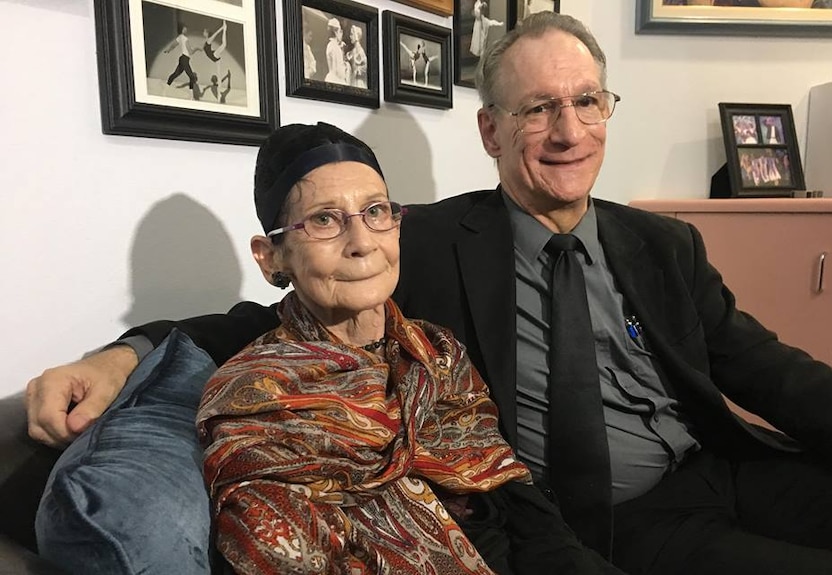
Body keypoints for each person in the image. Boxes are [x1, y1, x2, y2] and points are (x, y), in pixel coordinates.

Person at [26, 12, 832, 575]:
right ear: (491, 131)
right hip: (614, 518)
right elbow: (274, 316)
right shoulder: (411, 241)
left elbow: (774, 371)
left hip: (721, 463)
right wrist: (123, 355)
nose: (569, 131)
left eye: (585, 102)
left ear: (608, 110)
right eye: (538, 109)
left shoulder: (662, 241)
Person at [195, 121, 617, 575]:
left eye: (375, 212)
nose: (361, 243)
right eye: (324, 219)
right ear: (271, 256)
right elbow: (285, 556)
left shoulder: (438, 352)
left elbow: (512, 496)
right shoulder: (253, 398)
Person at [164, 23, 198, 93]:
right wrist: (197, 49)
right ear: (182, 30)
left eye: (186, 29)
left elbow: (173, 45)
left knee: (176, 74)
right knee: (191, 76)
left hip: (183, 59)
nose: (186, 30)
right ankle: (191, 94)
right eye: (184, 29)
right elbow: (190, 52)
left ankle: (166, 87)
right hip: (185, 59)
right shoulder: (185, 38)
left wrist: (168, 50)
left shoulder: (180, 37)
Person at [324, 18, 349, 85]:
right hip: (336, 80)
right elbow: (339, 71)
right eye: (340, 31)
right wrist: (346, 67)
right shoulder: (334, 47)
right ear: (336, 32)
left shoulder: (331, 45)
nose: (341, 34)